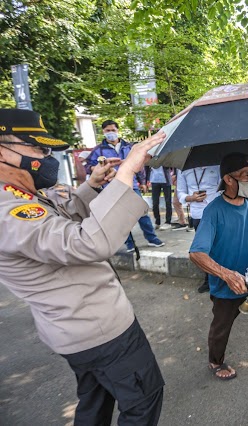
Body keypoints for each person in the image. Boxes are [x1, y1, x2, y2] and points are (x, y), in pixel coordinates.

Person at [0, 108, 166, 425]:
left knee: (95, 404)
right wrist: (126, 174)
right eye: (37, 148)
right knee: (143, 399)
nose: (45, 156)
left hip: (79, 329)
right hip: (99, 331)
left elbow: (62, 221)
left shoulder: (17, 193)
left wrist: (91, 186)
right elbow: (86, 242)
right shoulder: (6, 208)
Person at [189, 153, 248, 389]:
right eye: (246, 175)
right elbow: (196, 253)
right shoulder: (214, 211)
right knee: (221, 327)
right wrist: (227, 275)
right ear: (229, 180)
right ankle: (215, 361)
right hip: (227, 285)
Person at [86, 120, 165, 252]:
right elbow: (89, 167)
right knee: (119, 216)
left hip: (132, 185)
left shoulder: (128, 147)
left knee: (141, 212)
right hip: (110, 187)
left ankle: (152, 238)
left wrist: (143, 182)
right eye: (107, 131)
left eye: (113, 130)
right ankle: (129, 243)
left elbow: (139, 165)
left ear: (117, 130)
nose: (111, 133)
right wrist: (100, 167)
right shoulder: (99, 150)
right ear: (103, 132)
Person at [176, 165, 221, 293]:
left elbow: (222, 186)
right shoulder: (184, 169)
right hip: (197, 214)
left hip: (216, 212)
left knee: (219, 247)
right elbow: (180, 192)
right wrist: (191, 198)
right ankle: (208, 280)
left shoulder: (216, 166)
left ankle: (222, 278)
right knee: (204, 249)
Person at [145, 166, 173, 230]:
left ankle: (168, 222)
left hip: (166, 180)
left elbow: (170, 165)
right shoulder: (151, 156)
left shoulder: (165, 156)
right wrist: (146, 180)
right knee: (155, 202)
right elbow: (146, 167)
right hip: (154, 180)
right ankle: (157, 221)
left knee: (168, 202)